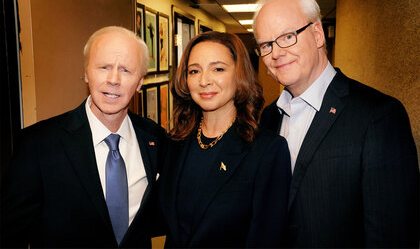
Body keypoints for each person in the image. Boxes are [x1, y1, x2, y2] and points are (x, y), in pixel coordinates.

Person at [253, 0, 419, 247]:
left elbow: (392, 236)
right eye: (266, 45)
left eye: (287, 36)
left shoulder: (378, 115)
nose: (276, 52)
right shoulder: (268, 118)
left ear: (317, 34)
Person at [0, 26, 167, 248]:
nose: (114, 79)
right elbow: (10, 236)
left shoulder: (155, 139)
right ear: (87, 72)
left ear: (139, 82)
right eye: (104, 67)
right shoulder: (38, 144)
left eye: (126, 70)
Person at [157, 31, 291, 248]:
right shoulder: (175, 142)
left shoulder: (267, 151)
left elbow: (268, 239)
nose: (204, 81)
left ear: (239, 75)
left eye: (218, 69)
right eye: (194, 71)